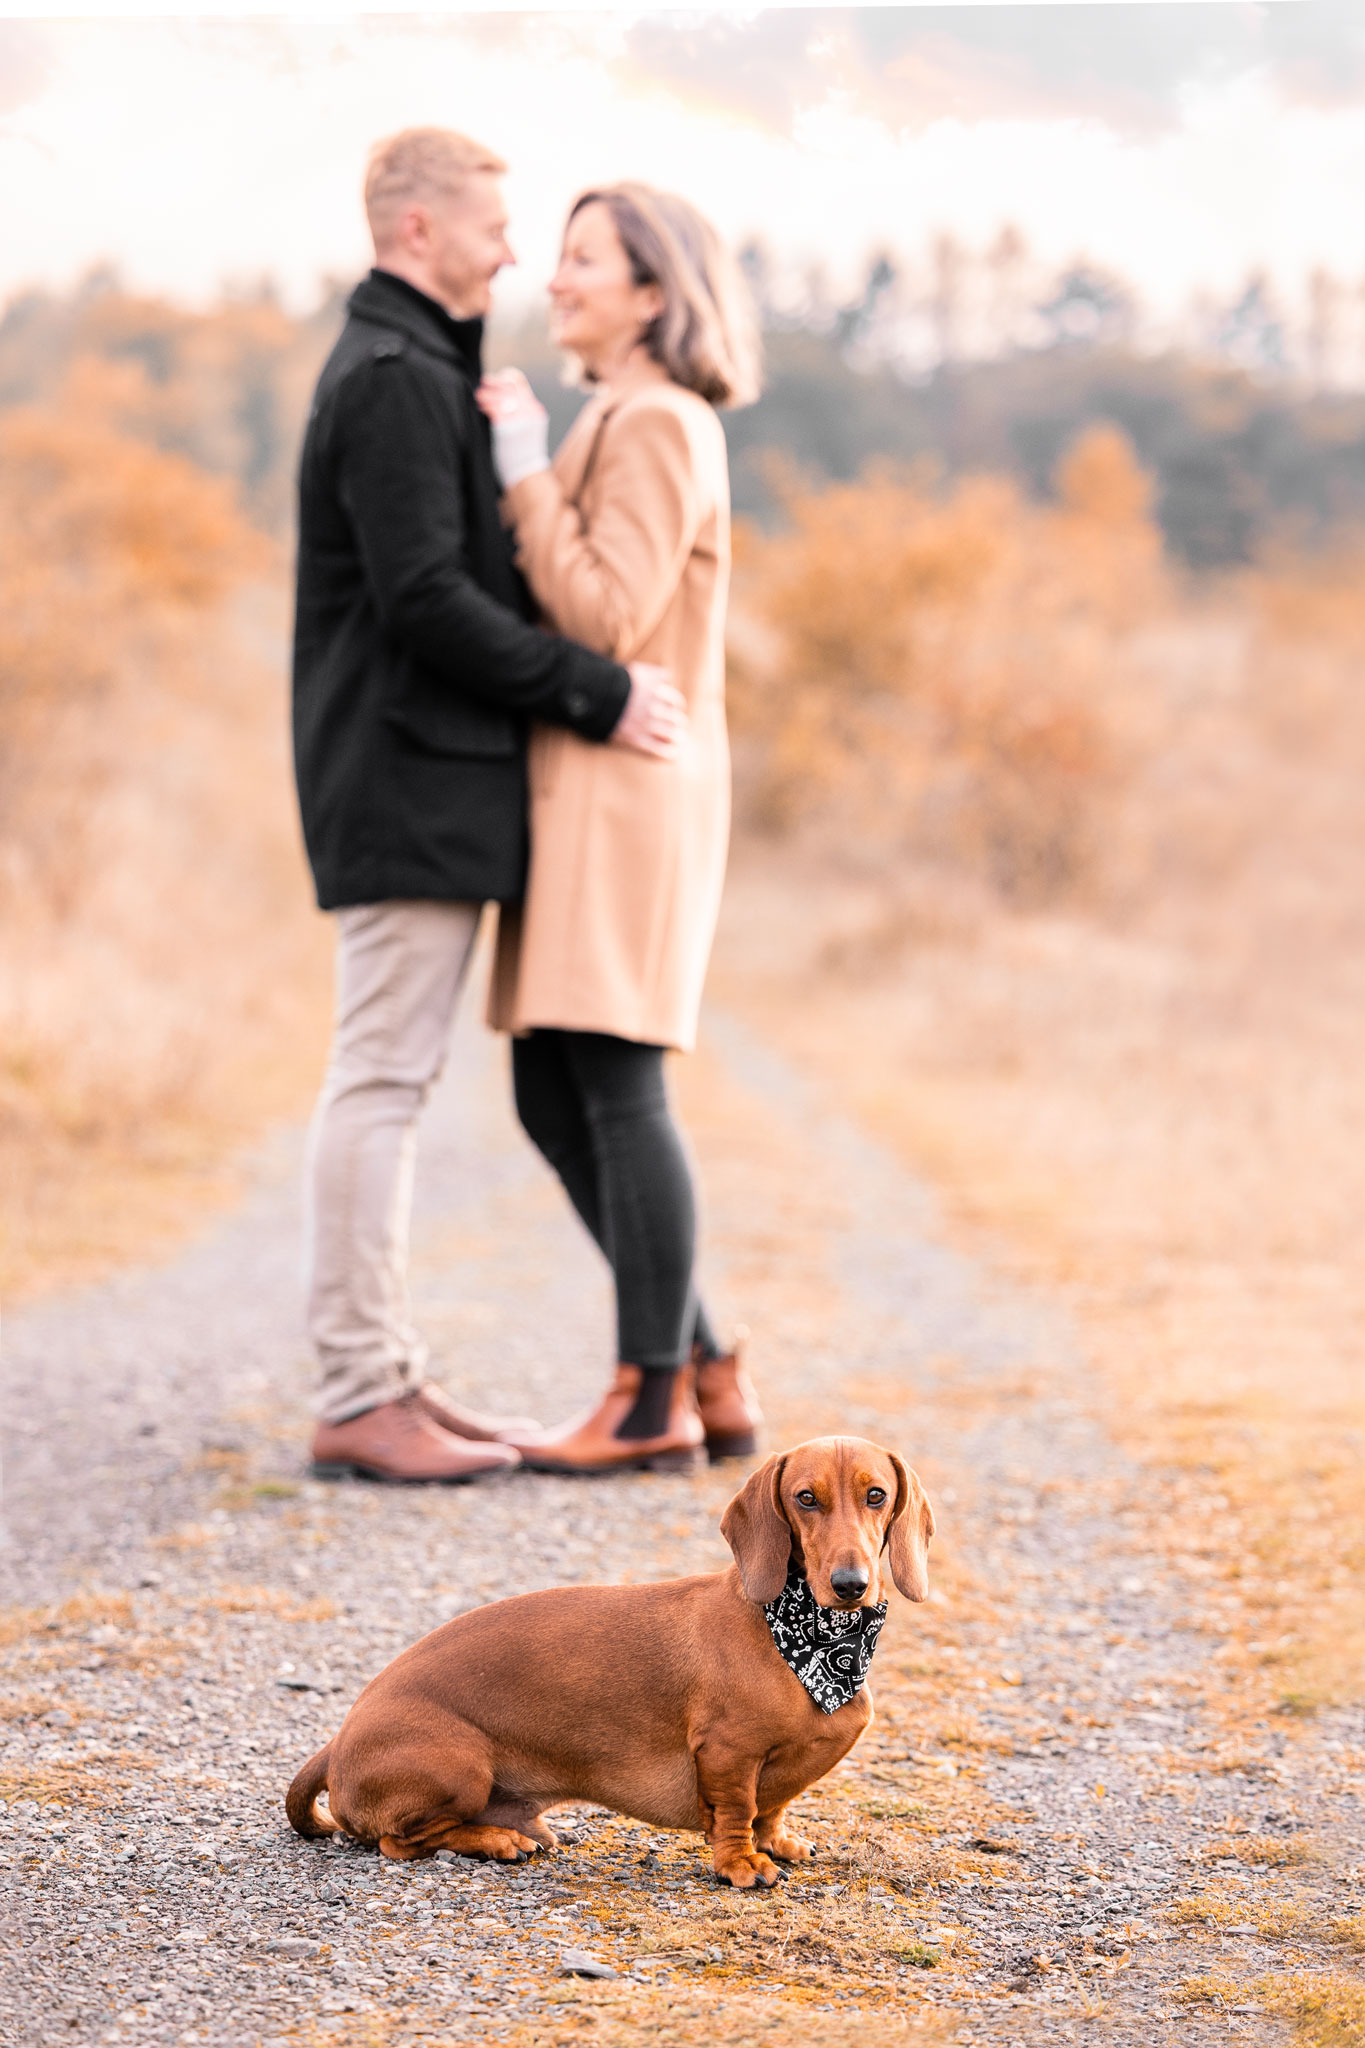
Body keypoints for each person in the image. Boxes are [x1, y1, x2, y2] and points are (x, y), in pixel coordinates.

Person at [293, 131, 688, 1485]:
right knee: (383, 1078)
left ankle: (389, 1375)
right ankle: (359, 1388)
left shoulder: (424, 367)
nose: (514, 251)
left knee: (393, 1077)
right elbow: (423, 599)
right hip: (402, 780)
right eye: (494, 226)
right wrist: (593, 691)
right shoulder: (397, 376)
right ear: (415, 230)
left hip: (426, 779)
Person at [477, 183, 766, 1474]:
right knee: (555, 1084)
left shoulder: (652, 422)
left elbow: (604, 615)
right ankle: (705, 1362)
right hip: (588, 789)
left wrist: (524, 474)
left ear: (655, 292)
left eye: (584, 259)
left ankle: (648, 1401)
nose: (557, 276)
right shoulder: (626, 414)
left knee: (612, 1075)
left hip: (626, 791)